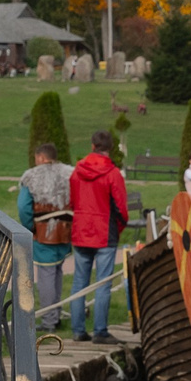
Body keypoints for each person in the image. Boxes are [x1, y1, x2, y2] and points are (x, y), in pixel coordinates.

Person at [66, 128, 129, 343]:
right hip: (105, 232)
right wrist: (119, 228)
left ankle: (77, 330)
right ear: (110, 148)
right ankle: (100, 330)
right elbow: (121, 208)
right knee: (103, 283)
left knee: (79, 281)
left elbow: (72, 201)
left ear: (92, 146)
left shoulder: (77, 171)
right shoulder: (113, 174)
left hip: (82, 229)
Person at [15, 140, 74, 333]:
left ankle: (49, 320)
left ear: (41, 157)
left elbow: (24, 207)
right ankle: (55, 315)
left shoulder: (31, 176)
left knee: (46, 275)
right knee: (57, 272)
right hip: (66, 230)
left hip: (43, 232)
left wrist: (30, 228)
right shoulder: (70, 173)